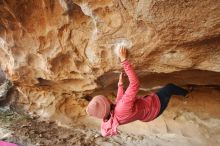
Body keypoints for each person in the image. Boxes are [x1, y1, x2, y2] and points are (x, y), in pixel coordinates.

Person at [86, 47, 190, 136]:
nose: (107, 99)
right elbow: (135, 84)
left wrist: (120, 84)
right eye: (105, 100)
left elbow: (119, 101)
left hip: (146, 113)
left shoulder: (110, 116)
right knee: (169, 88)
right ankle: (187, 93)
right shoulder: (121, 109)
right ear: (106, 105)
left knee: (161, 92)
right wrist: (124, 61)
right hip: (154, 108)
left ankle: (183, 93)